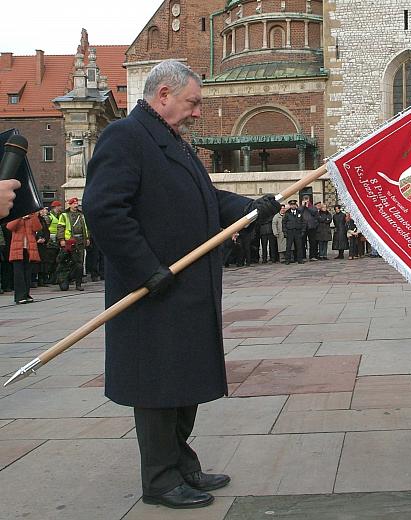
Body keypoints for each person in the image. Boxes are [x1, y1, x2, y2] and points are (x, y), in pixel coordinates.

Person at [82, 59, 281, 509]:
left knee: (184, 381)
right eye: (192, 102)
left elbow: (205, 199)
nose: (197, 112)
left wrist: (251, 208)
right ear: (164, 94)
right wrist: (144, 268)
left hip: (186, 289)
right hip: (153, 292)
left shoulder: (173, 142)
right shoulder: (126, 137)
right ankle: (160, 479)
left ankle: (182, 464)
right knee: (158, 386)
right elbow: (104, 209)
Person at [6, 212, 41, 304]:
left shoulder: (31, 216)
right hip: (18, 249)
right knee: (19, 274)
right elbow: (9, 227)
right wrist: (20, 217)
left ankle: (26, 294)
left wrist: (33, 216)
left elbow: (37, 228)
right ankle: (19, 296)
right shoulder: (16, 215)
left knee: (27, 273)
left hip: (29, 249)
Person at [56, 197, 90, 291]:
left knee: (79, 263)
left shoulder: (81, 215)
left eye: (77, 203)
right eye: (74, 204)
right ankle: (65, 280)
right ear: (70, 205)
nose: (76, 205)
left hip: (80, 242)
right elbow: (60, 227)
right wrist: (61, 239)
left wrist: (87, 238)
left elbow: (85, 227)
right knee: (66, 262)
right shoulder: (64, 215)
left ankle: (78, 284)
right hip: (69, 242)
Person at [282, 199, 306, 264]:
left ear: (296, 205)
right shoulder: (287, 213)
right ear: (290, 205)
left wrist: (303, 231)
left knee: (299, 246)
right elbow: (284, 223)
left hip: (298, 231)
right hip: (290, 231)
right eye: (292, 205)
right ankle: (287, 260)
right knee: (288, 246)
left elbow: (303, 222)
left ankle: (300, 259)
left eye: (294, 204)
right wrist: (285, 232)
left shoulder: (299, 212)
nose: (293, 206)